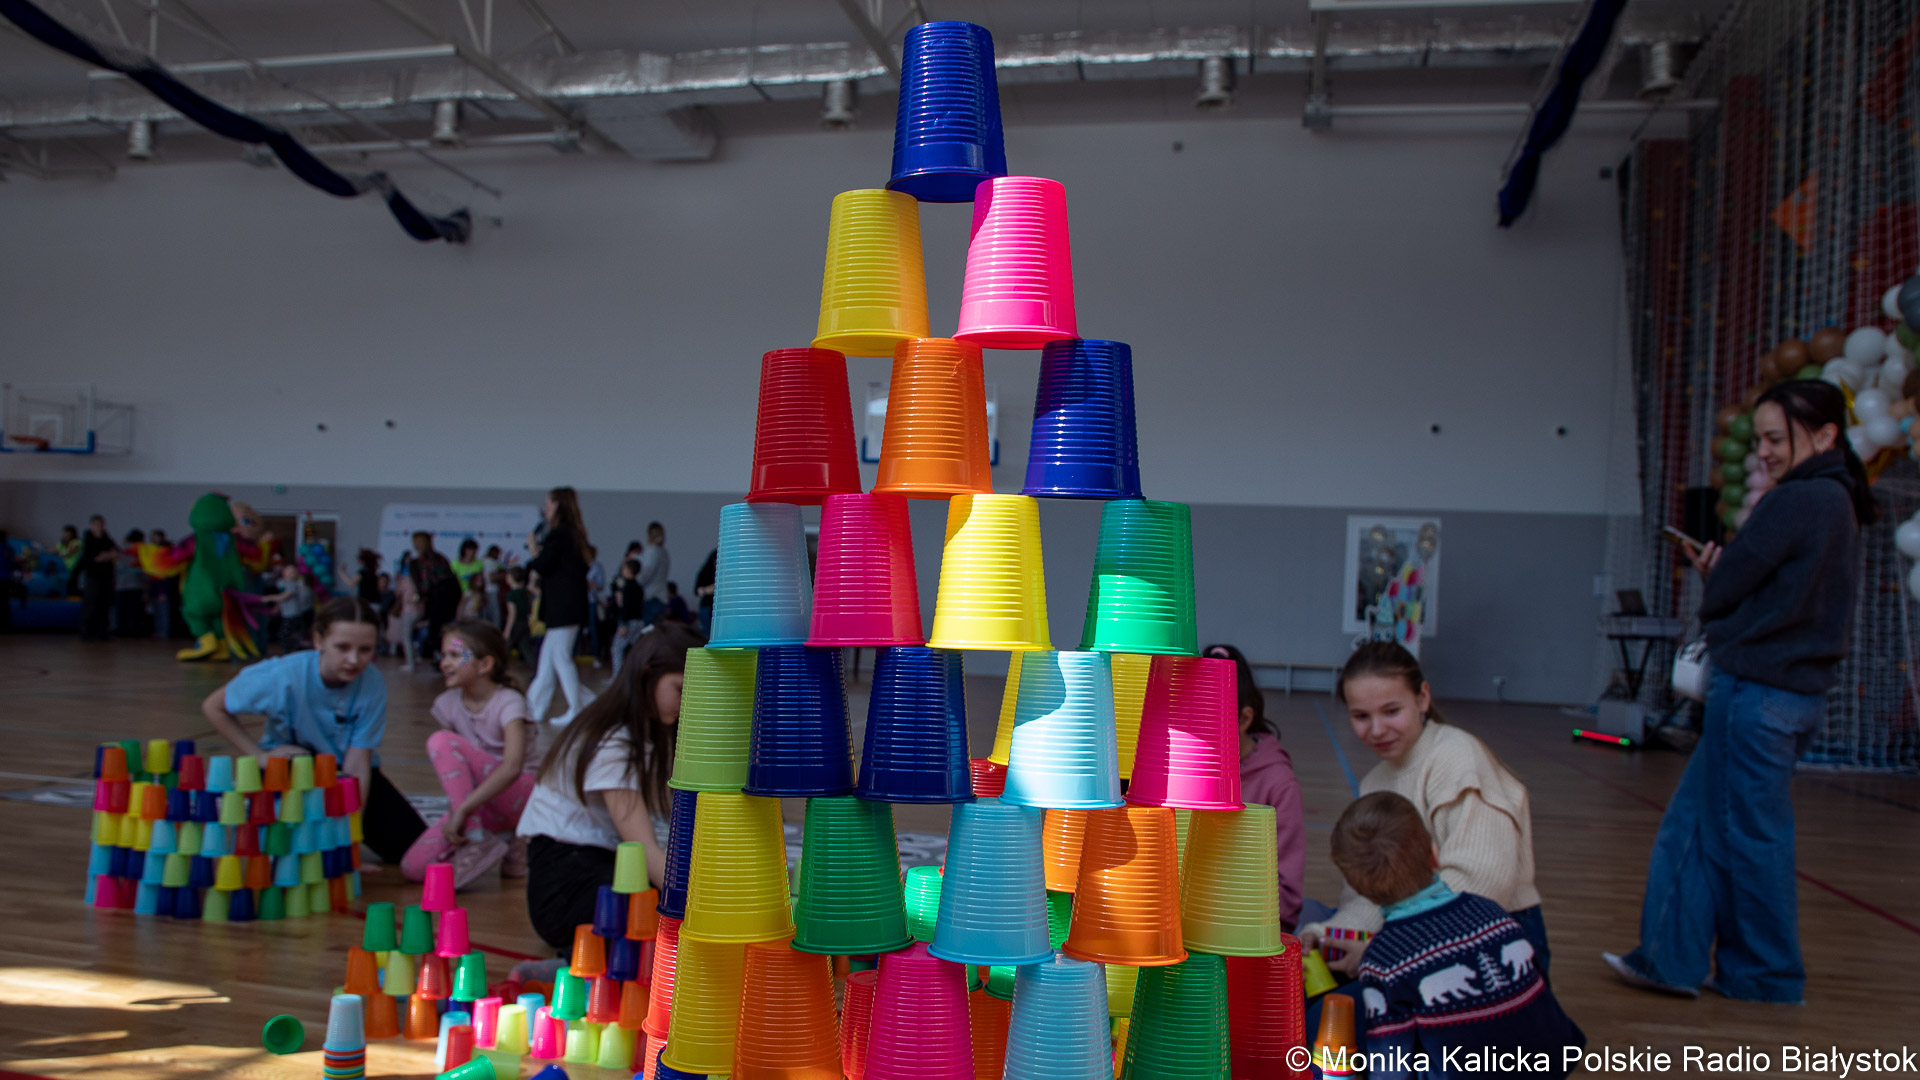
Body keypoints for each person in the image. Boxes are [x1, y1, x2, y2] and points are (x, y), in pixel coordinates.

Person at [1607, 379, 1873, 1005]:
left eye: (1777, 439)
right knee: (1696, 825)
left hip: (1757, 691)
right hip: (1791, 694)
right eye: (1759, 441)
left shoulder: (1798, 499)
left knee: (1746, 838)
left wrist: (1713, 572)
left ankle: (1764, 974)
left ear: (1825, 436)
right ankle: (1670, 960)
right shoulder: (1838, 501)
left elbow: (1729, 590)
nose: (1765, 453)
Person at [1299, 642, 1546, 1045]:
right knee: (1313, 990)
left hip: (1496, 942)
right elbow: (1374, 893)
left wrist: (1384, 950)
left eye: (1391, 711)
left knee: (1329, 1023)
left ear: (1423, 698)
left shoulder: (1457, 757)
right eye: (1361, 716)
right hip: (1417, 941)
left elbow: (1483, 887)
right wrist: (1329, 935)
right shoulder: (1376, 782)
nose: (1376, 729)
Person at [1335, 793, 1584, 1079]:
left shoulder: (1382, 959)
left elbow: (1392, 1065)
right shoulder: (1490, 911)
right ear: (1434, 855)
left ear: (1360, 890)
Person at [199, 597, 427, 865]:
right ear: (318, 641)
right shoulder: (281, 675)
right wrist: (258, 755)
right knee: (296, 853)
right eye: (342, 647)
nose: (354, 660)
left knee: (416, 850)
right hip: (290, 769)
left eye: (365, 649)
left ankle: (332, 838)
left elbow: (357, 764)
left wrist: (350, 843)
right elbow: (213, 706)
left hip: (341, 774)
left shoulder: (372, 682)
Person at [516, 623, 697, 956]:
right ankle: (575, 965)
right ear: (647, 675)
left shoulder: (640, 729)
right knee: (658, 908)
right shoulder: (614, 740)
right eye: (681, 689)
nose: (687, 702)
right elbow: (642, 848)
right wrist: (705, 909)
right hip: (562, 886)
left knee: (663, 899)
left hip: (589, 866)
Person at [400, 620, 541, 888]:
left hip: (520, 796)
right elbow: (454, 772)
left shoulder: (509, 701)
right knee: (413, 868)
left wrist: (462, 810)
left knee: (440, 741)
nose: (444, 663)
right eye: (444, 655)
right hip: (481, 803)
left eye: (455, 655)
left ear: (484, 665)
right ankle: (502, 841)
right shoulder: (446, 704)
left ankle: (488, 838)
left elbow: (512, 767)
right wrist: (459, 815)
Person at [1203, 643, 1306, 929]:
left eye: (1209, 721)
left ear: (1245, 719)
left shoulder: (1279, 784)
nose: (1197, 734)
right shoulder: (1184, 772)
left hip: (1250, 928)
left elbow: (1286, 898)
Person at [525, 487, 595, 725]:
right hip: (567, 607)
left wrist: (533, 547)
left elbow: (543, 565)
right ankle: (534, 709)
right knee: (548, 660)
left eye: (549, 503)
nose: (545, 508)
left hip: (564, 608)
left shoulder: (559, 535)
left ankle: (580, 708)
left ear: (559, 506)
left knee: (559, 657)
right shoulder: (571, 535)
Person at [409, 532, 462, 660]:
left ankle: (442, 655)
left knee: (436, 629)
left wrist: (420, 597)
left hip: (440, 597)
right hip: (451, 595)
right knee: (445, 628)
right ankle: (447, 655)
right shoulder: (440, 558)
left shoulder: (421, 562)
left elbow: (426, 584)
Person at [76, 515, 118, 641]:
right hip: (93, 576)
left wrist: (107, 555)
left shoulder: (107, 539)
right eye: (97, 524)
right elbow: (95, 558)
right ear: (91, 525)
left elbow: (116, 553)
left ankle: (102, 632)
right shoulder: (87, 540)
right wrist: (106, 555)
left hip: (107, 576)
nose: (99, 527)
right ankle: (86, 631)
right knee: (91, 604)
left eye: (101, 524)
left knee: (104, 604)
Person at [263, 563, 316, 653]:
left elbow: (284, 596)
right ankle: (290, 651)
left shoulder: (294, 584)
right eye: (289, 571)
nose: (292, 573)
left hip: (294, 613)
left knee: (288, 634)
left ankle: (289, 651)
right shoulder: (282, 583)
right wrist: (278, 606)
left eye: (294, 572)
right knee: (290, 634)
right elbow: (281, 598)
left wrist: (268, 598)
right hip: (287, 613)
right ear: (283, 572)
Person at [608, 559, 648, 676]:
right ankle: (636, 676)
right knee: (635, 649)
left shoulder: (627, 587)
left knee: (617, 649)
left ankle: (617, 678)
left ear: (628, 570)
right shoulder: (639, 587)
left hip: (628, 622)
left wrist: (624, 624)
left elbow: (626, 606)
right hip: (638, 621)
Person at [388, 560, 424, 671]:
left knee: (406, 638)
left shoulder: (405, 580)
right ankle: (416, 658)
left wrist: (398, 582)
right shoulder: (421, 581)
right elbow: (420, 596)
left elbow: (397, 593)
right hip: (419, 611)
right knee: (412, 637)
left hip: (408, 611)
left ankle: (410, 663)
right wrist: (415, 600)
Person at [115, 529, 151, 637]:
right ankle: (131, 630)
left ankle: (124, 630)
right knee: (132, 610)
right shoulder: (138, 552)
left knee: (125, 610)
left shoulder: (121, 551)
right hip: (134, 584)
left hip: (124, 584)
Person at [636, 522, 671, 625]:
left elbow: (645, 575)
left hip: (652, 598)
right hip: (661, 596)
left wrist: (632, 579)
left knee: (649, 631)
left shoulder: (653, 551)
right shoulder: (664, 552)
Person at [503, 566, 534, 664]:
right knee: (526, 648)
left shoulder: (511, 595)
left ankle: (497, 668)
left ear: (512, 578)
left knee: (505, 647)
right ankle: (536, 667)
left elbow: (512, 614)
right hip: (525, 623)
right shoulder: (527, 593)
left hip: (515, 624)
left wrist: (507, 630)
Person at [694, 547, 716, 636]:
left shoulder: (724, 573)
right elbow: (696, 591)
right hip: (707, 606)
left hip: (718, 608)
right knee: (707, 634)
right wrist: (709, 589)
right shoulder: (705, 573)